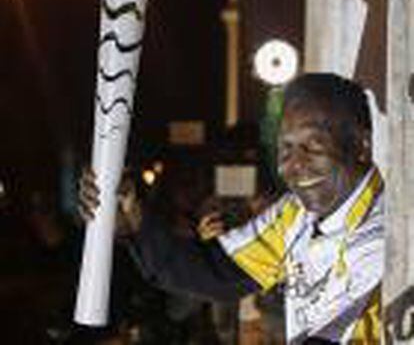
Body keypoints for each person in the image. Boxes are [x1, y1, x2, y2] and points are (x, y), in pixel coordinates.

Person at [79, 73, 384, 344]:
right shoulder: (295, 215)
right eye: (285, 148)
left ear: (360, 146)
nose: (294, 165)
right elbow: (215, 273)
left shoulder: (393, 231)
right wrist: (134, 219)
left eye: (314, 146)